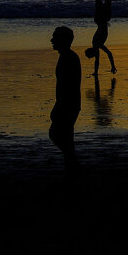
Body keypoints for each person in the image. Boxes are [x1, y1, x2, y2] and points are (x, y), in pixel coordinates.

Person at [49, 26, 81, 168]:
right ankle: (71, 162)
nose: (52, 40)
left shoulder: (68, 58)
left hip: (68, 103)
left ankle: (72, 161)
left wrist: (59, 105)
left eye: (55, 38)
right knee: (65, 136)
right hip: (71, 103)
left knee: (56, 134)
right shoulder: (68, 56)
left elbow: (66, 85)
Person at [85, 0, 117, 75]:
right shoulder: (98, 45)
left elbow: (98, 60)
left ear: (92, 52)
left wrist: (96, 72)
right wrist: (113, 67)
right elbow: (109, 54)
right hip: (103, 19)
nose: (94, 56)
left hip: (100, 19)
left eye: (92, 56)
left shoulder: (96, 44)